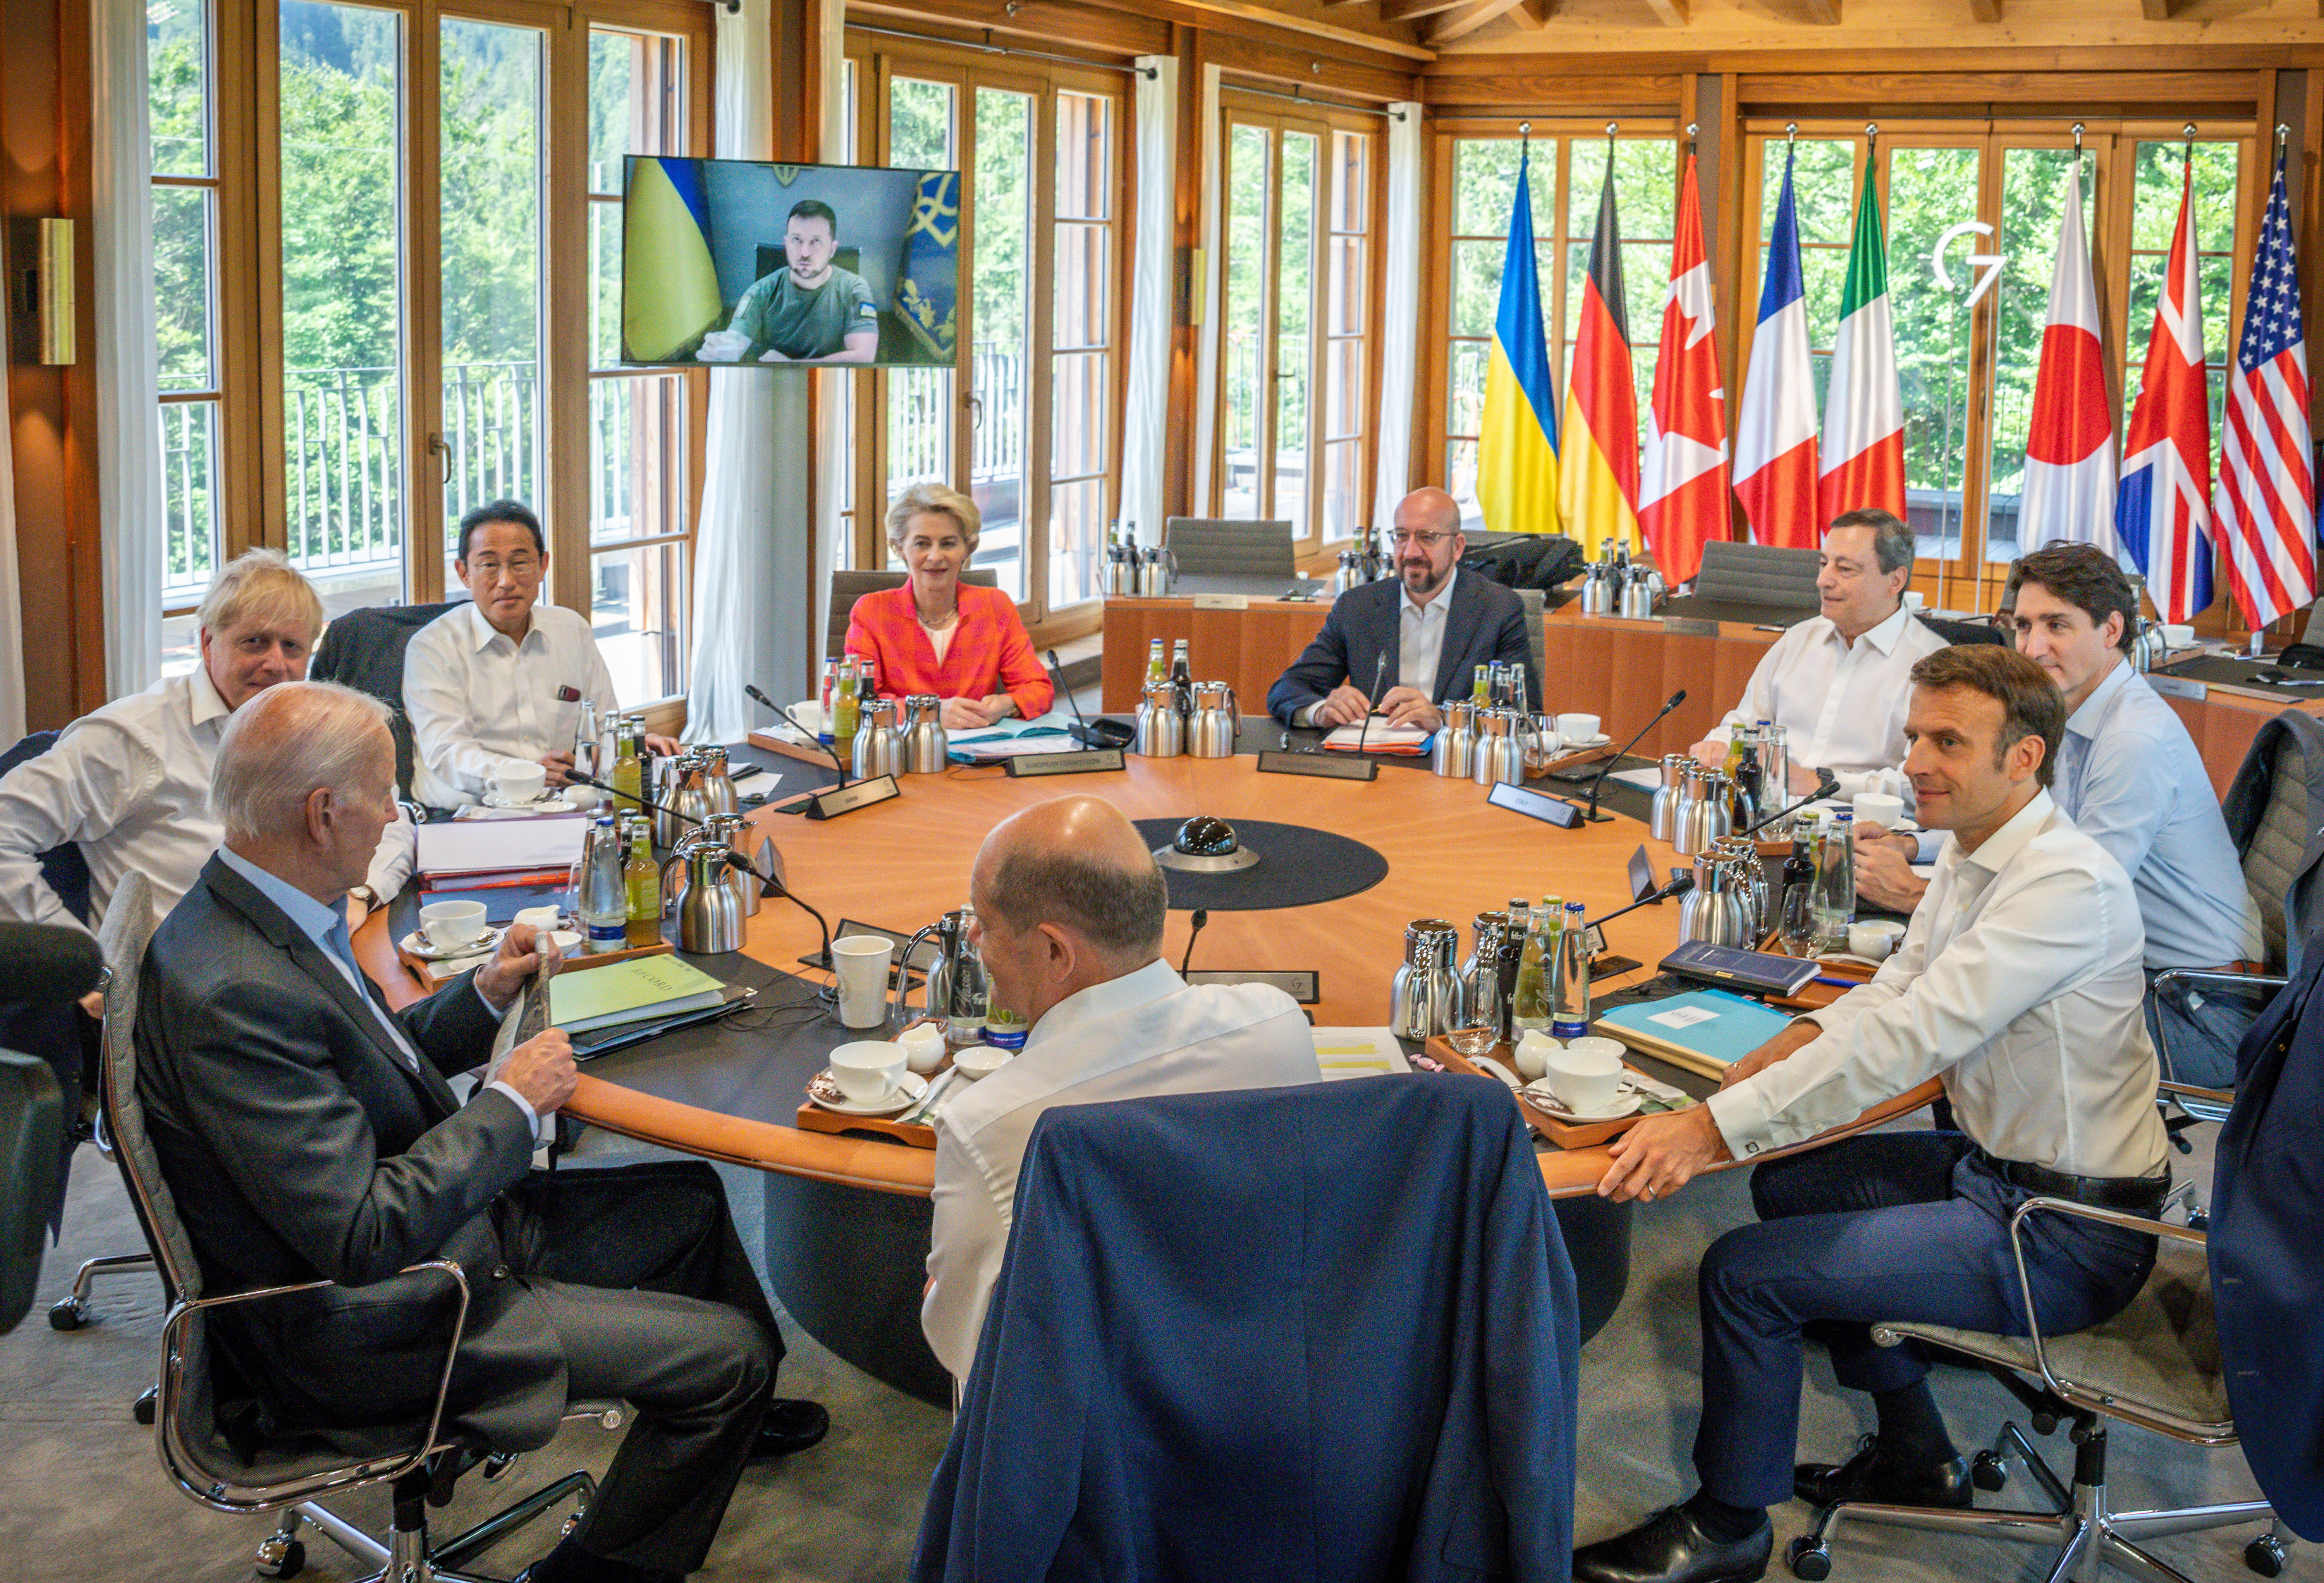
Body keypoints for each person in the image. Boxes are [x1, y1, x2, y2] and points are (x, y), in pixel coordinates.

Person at [135, 681, 826, 1583]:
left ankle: (727, 1426)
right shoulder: (238, 990)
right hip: (374, 1318)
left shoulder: (269, 906)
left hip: (428, 1237)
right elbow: (361, 1233)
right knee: (728, 1358)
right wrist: (509, 1102)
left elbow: (366, 1070)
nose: (395, 816)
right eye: (385, 795)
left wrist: (482, 995)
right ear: (322, 811)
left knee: (689, 1199)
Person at [1572, 645, 2169, 1583]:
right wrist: (1783, 1050)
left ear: (2023, 757)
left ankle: (1727, 1524)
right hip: (1995, 1170)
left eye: (1947, 741)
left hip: (2068, 1227)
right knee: (1798, 1183)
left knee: (1743, 1272)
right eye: (1912, 736)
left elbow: (1913, 1037)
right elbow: (1893, 985)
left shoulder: (2065, 884)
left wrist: (1711, 1127)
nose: (1916, 762)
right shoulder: (1983, 851)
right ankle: (1916, 1453)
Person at [921, 794, 1320, 1383]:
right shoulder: (1278, 1025)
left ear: (1056, 951)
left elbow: (966, 1347)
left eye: (986, 919)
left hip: (1093, 1444)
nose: (974, 934)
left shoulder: (987, 1125)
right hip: (1272, 1391)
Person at [1854, 545, 2262, 1084]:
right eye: (2023, 626)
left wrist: (1912, 893)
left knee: (1969, 1030)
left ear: (2112, 629)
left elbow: (2071, 907)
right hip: (2131, 977)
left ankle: (1985, 1167)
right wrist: (1913, 846)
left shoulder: (2133, 739)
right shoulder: (2068, 711)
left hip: (2197, 1007)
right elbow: (2021, 826)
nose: (2033, 647)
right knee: (1945, 995)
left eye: (2056, 625)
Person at [0, 547, 413, 951]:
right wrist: (75, 961)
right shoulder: (134, 737)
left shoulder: (310, 723)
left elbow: (390, 815)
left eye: (292, 647)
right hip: (186, 999)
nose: (276, 664)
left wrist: (362, 894)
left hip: (300, 962)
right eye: (255, 641)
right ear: (207, 642)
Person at [404, 499, 679, 809]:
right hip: (465, 814)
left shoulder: (571, 630)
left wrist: (630, 748)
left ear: (543, 566)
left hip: (559, 805)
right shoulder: (431, 648)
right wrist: (530, 775)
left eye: (520, 563)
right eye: (489, 565)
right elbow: (448, 753)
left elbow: (603, 727)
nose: (506, 582)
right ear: (464, 573)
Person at [1689, 509, 1946, 798]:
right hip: (1771, 807)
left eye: (1845, 569)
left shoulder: (1930, 665)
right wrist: (1721, 744)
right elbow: (1747, 723)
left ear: (1896, 581)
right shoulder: (1798, 639)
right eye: (1824, 564)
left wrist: (1824, 783)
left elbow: (1925, 784)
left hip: (1859, 825)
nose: (1823, 580)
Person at [1265, 487, 1535, 731]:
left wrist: (1442, 720)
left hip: (1457, 761)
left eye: (1427, 538)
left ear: (1457, 547)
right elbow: (1287, 689)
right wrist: (1322, 712)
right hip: (1377, 762)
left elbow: (1525, 712)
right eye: (1401, 537)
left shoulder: (1498, 608)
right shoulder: (1356, 608)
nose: (1410, 552)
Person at [842, 483, 1052, 730]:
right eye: (922, 544)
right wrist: (929, 712)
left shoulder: (995, 606)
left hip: (977, 754)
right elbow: (858, 703)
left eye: (948, 544)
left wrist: (1008, 704)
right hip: (899, 755)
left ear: (968, 549)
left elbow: (1039, 689)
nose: (935, 556)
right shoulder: (872, 612)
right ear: (900, 549)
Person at [698, 199, 878, 366]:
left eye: (816, 242)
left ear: (832, 250)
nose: (804, 252)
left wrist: (790, 366)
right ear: (786, 244)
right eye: (797, 240)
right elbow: (735, 343)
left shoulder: (854, 288)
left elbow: (864, 356)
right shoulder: (762, 291)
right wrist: (721, 349)